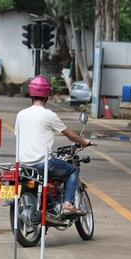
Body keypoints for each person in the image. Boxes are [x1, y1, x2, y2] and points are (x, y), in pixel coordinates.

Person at [15, 76, 93, 215]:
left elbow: (19, 135)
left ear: (31, 94)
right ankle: (68, 205)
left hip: (23, 165)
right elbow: (71, 135)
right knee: (72, 171)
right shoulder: (48, 115)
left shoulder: (21, 114)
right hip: (42, 163)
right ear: (47, 95)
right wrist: (84, 142)